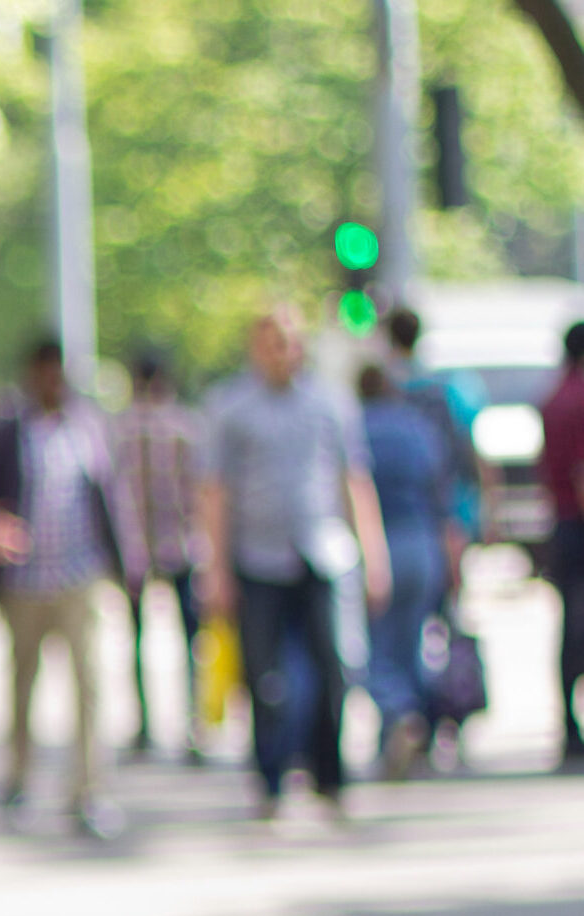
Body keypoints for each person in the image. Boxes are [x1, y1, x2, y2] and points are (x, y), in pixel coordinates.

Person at [197, 309, 389, 821]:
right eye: (269, 343)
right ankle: (271, 777)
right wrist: (214, 569)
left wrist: (374, 557)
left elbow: (354, 480)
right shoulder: (229, 407)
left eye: (287, 342)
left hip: (322, 553)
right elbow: (215, 491)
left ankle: (331, 776)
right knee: (265, 677)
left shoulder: (329, 403)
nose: (280, 352)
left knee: (334, 667)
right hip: (258, 558)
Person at [0, 340, 140, 839]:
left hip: (77, 577)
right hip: (23, 582)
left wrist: (123, 568)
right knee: (23, 686)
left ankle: (88, 791)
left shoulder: (88, 427)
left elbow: (109, 499)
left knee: (88, 686)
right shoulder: (5, 433)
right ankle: (18, 783)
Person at [357, 364, 457, 779]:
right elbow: (441, 489)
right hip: (422, 543)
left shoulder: (356, 428)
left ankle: (398, 711)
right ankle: (408, 730)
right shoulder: (416, 428)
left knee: (371, 649)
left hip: (378, 544)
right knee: (412, 642)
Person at [113, 350, 207, 763]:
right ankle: (191, 727)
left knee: (143, 641)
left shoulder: (123, 428)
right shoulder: (182, 425)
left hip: (146, 548)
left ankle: (154, 725)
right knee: (184, 643)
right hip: (173, 546)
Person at [385, 308, 490, 545]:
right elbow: (466, 446)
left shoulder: (385, 389)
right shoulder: (444, 387)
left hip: (400, 514)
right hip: (447, 501)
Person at [539, 322, 584, 772]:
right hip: (579, 522)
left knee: (570, 625)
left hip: (561, 524)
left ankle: (569, 723)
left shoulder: (554, 396)